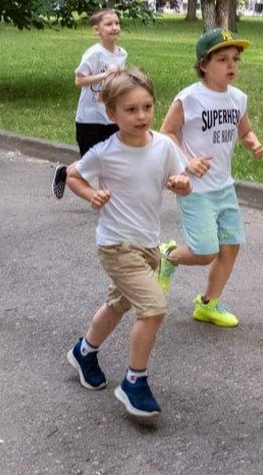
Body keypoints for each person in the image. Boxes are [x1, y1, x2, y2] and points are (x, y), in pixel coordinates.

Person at [64, 68, 191, 419]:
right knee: (153, 307)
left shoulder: (164, 145)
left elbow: (179, 177)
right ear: (112, 114)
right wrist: (91, 194)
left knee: (118, 305)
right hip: (116, 245)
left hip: (148, 245)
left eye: (147, 107)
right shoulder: (105, 152)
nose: (141, 116)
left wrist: (181, 183)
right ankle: (135, 382)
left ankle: (84, 352)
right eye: (131, 109)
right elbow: (72, 175)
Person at [156, 28, 263, 328]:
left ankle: (208, 304)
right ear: (204, 64)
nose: (231, 65)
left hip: (223, 186)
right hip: (195, 188)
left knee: (230, 246)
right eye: (222, 59)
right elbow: (166, 133)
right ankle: (169, 256)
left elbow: (244, 131)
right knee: (205, 252)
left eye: (235, 59)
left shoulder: (238, 99)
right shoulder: (189, 98)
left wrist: (253, 142)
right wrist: (187, 161)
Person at [52, 8, 127, 198]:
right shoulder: (93, 54)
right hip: (89, 118)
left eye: (116, 23)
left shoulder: (122, 54)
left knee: (112, 158)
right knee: (89, 162)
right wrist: (105, 74)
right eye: (108, 24)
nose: (114, 27)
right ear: (97, 30)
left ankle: (111, 198)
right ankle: (64, 172)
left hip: (111, 117)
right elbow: (79, 80)